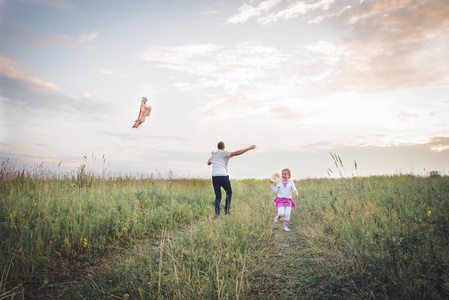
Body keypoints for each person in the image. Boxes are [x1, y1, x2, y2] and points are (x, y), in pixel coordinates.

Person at [207, 142, 256, 216]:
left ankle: (217, 214)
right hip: (223, 176)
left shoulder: (214, 154)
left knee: (218, 196)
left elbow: (208, 162)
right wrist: (248, 148)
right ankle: (227, 211)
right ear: (224, 147)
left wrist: (214, 155)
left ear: (218, 147)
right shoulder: (225, 153)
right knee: (229, 192)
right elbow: (236, 153)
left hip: (215, 177)